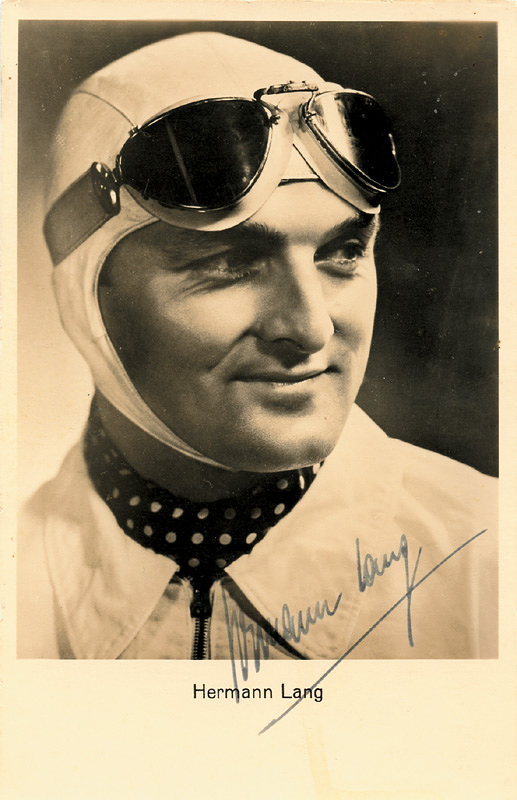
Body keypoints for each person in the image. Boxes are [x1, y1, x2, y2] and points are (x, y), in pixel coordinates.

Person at [18, 32, 497, 661]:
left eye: (343, 253)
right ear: (85, 294)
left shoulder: (489, 566)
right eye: (228, 264)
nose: (311, 328)